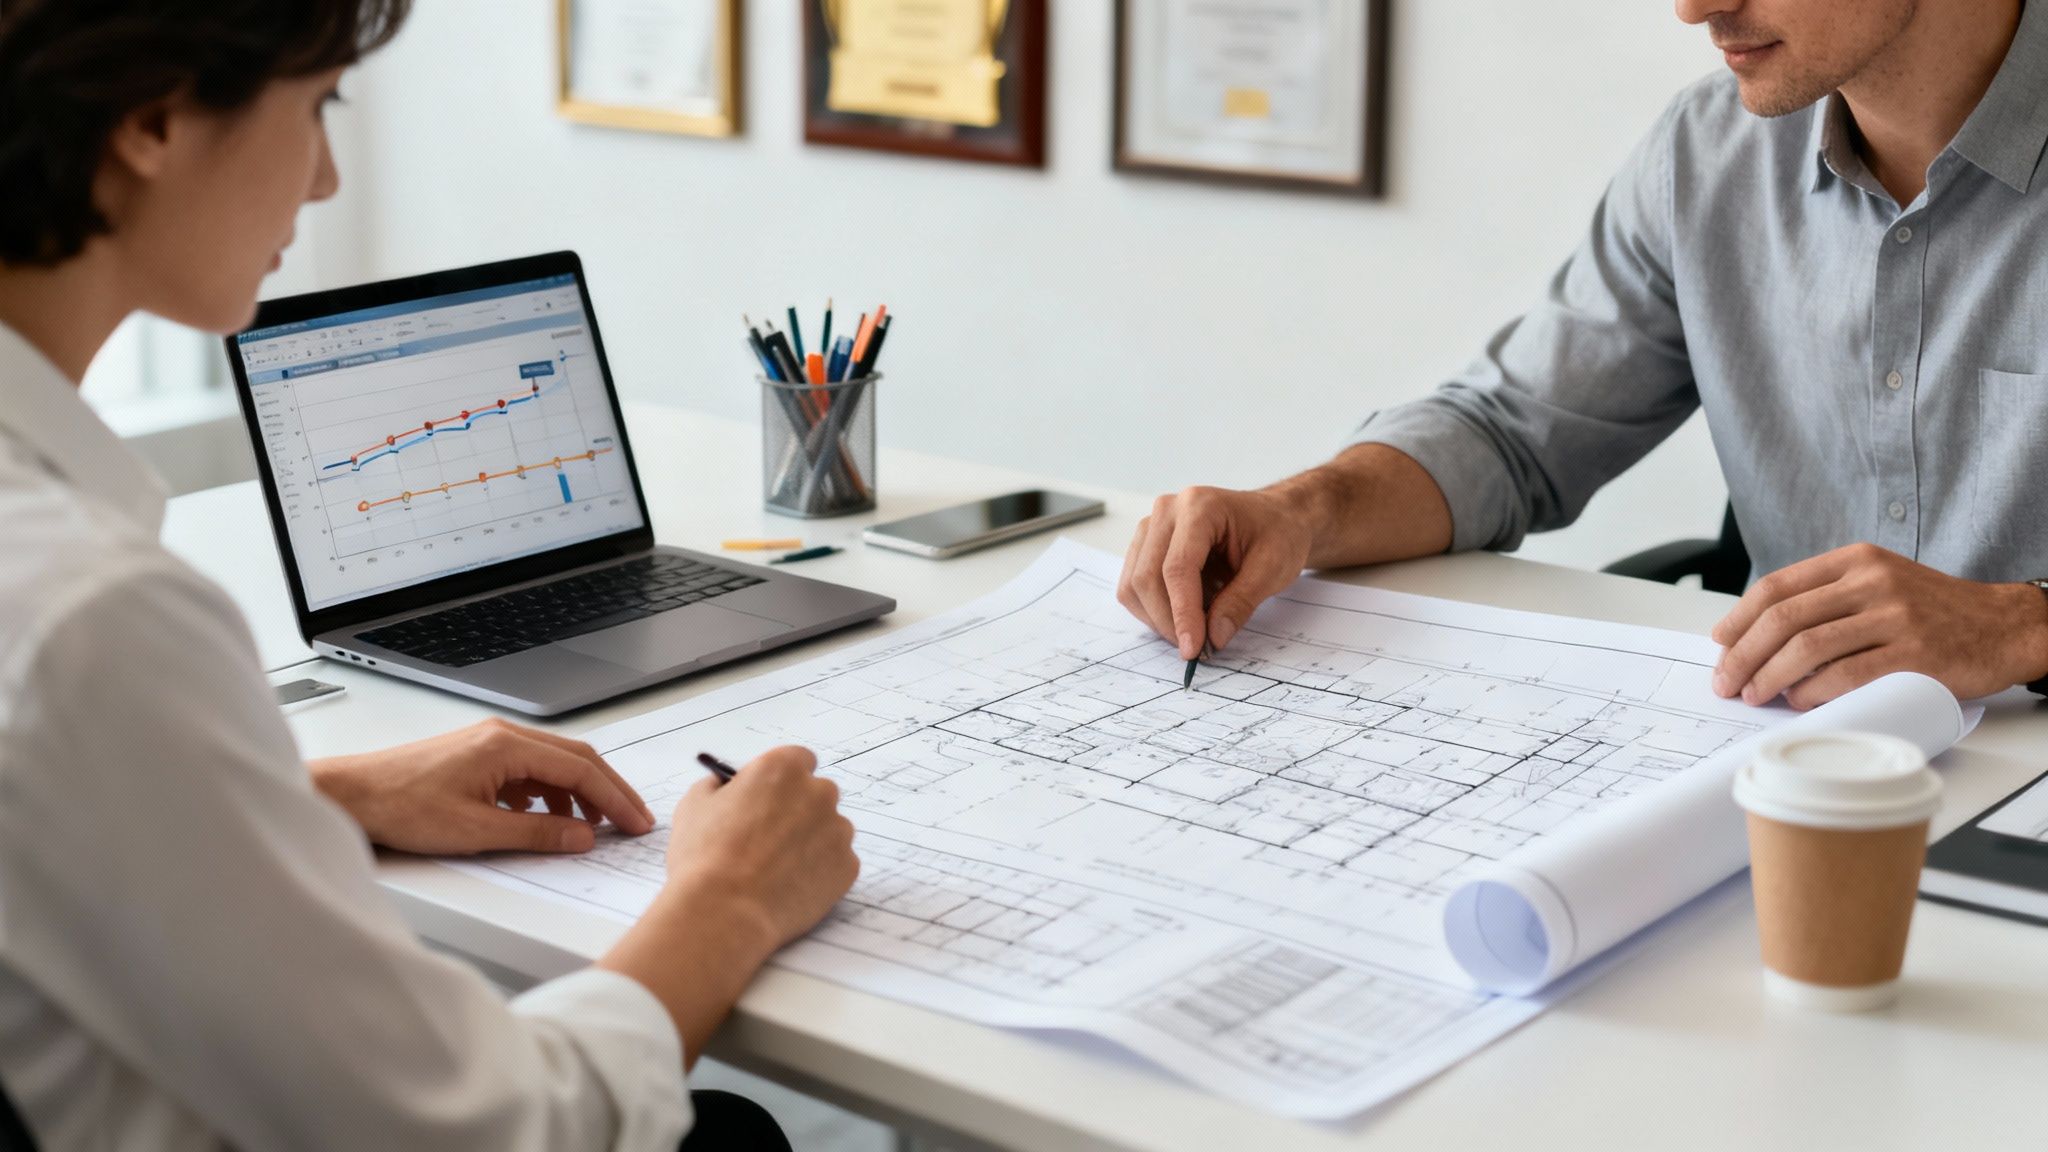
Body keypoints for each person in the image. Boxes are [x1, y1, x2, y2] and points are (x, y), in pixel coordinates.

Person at [0, 2, 856, 1148]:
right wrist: (731, 893)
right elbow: (494, 1128)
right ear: (153, 121)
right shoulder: (89, 618)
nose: (325, 183)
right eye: (317, 107)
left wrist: (329, 796)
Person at [1121, 0, 2048, 713]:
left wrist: (2022, 625)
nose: (1691, 6)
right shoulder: (1707, 153)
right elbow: (1512, 436)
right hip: (1790, 763)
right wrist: (1298, 512)